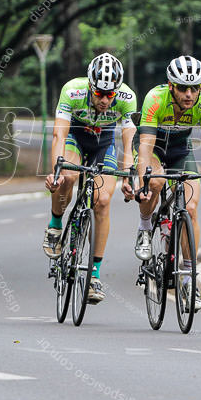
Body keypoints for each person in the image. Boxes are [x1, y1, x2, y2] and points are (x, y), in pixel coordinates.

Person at [133, 55, 201, 312]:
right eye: (183, 88)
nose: (189, 94)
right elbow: (144, 148)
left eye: (195, 88)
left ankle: (189, 280)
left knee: (192, 207)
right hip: (152, 146)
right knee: (156, 181)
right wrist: (143, 181)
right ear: (170, 86)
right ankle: (145, 228)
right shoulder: (155, 98)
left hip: (180, 150)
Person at [43, 53, 137, 304]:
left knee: (103, 201)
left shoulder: (127, 98)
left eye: (110, 95)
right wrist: (56, 171)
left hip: (103, 144)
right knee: (69, 176)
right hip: (75, 137)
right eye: (100, 93)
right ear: (90, 86)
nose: (106, 100)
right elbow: (58, 136)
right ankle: (55, 224)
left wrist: (129, 175)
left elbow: (129, 142)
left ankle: (94, 274)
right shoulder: (72, 91)